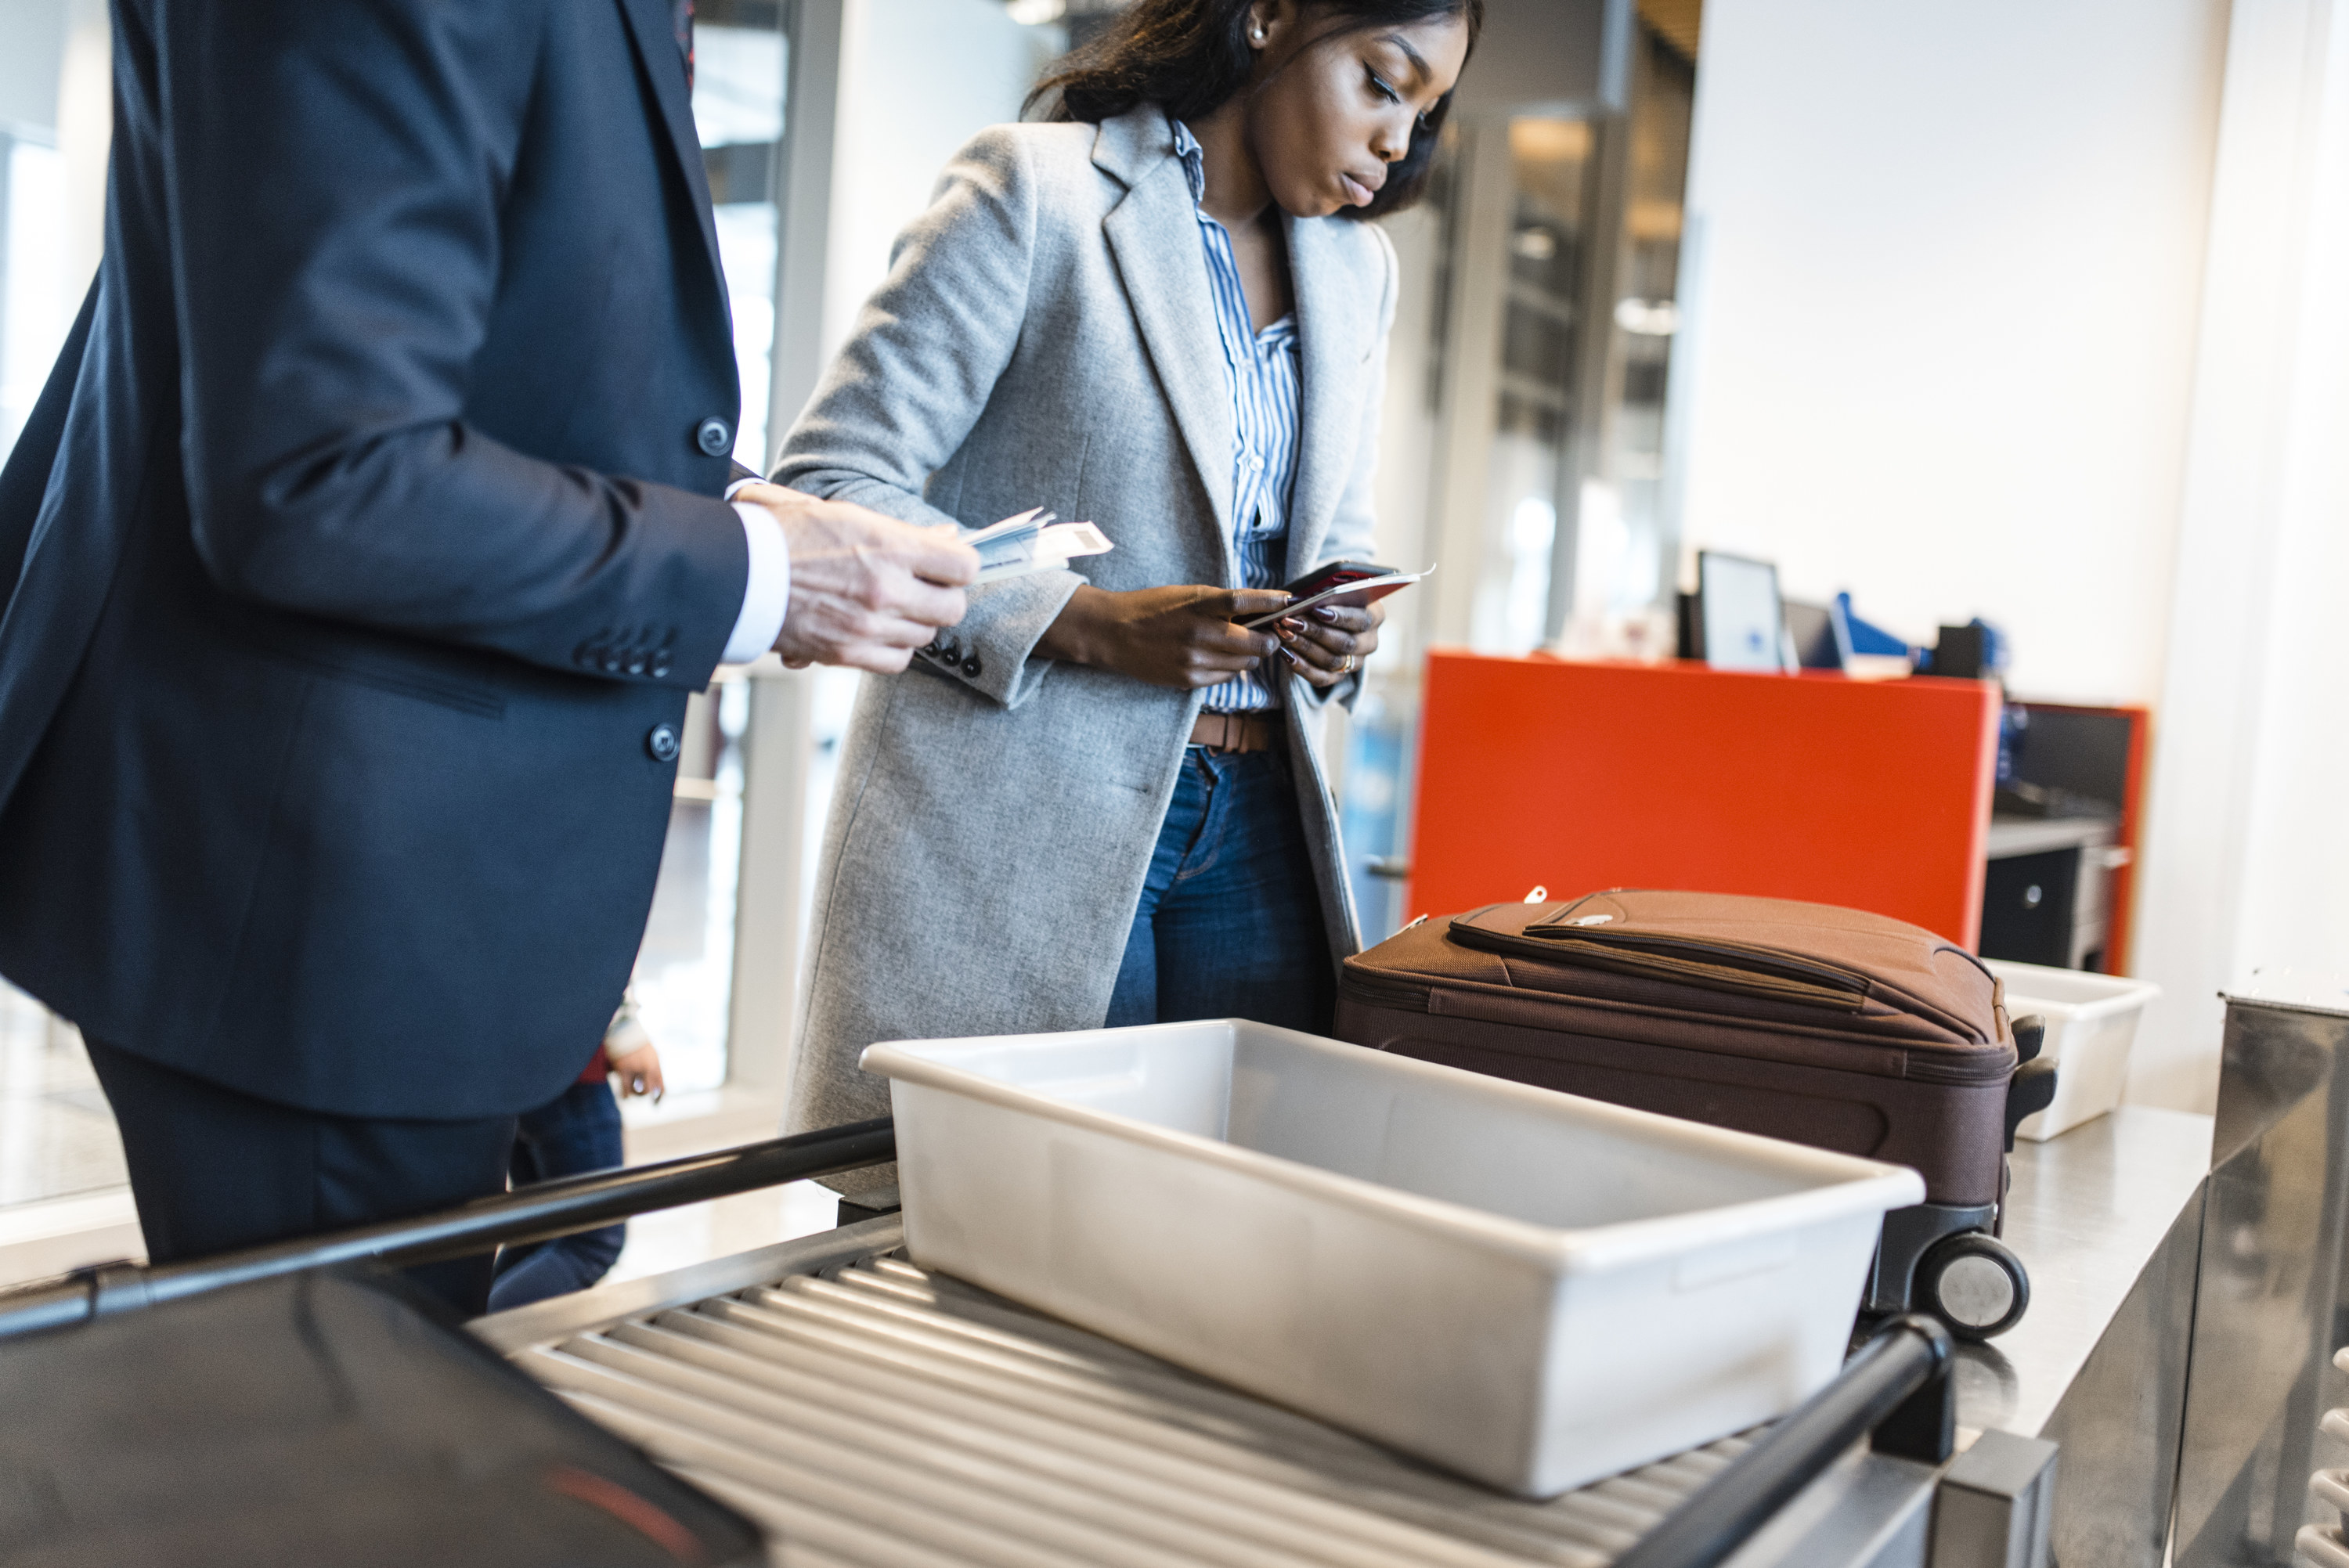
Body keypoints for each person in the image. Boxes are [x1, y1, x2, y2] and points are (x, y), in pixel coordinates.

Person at [0, 0, 977, 1313]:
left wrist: (744, 517)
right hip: (309, 904)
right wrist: (757, 582)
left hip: (376, 878)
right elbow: (323, 473)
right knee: (342, 1475)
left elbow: (504, 378)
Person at [774, 0, 1477, 1194]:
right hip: (1025, 813)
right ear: (1268, 21)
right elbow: (834, 484)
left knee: (1229, 1219)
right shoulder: (1034, 192)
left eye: (1422, 113)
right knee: (1004, 1219)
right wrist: (1092, 622)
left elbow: (1332, 529)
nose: (1397, 141)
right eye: (1380, 82)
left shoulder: (1359, 274)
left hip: (1260, 818)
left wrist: (1339, 630)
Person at [486, 993, 666, 1313]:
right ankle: (462, 1343)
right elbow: (589, 951)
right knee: (592, 1242)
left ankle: (456, 1335)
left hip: (512, 1061)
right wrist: (624, 1030)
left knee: (537, 1232)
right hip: (570, 1067)